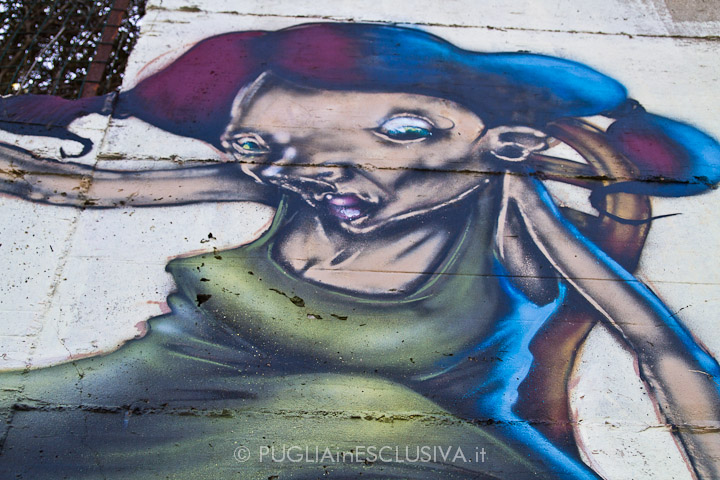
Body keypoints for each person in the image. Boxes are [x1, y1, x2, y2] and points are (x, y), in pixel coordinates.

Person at [0, 22, 719, 479]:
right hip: (134, 398)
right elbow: (77, 187)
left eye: (399, 132)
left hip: (388, 446)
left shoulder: (518, 224)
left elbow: (663, 350)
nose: (309, 170)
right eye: (257, 144)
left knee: (352, 405)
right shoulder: (287, 190)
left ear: (504, 145)